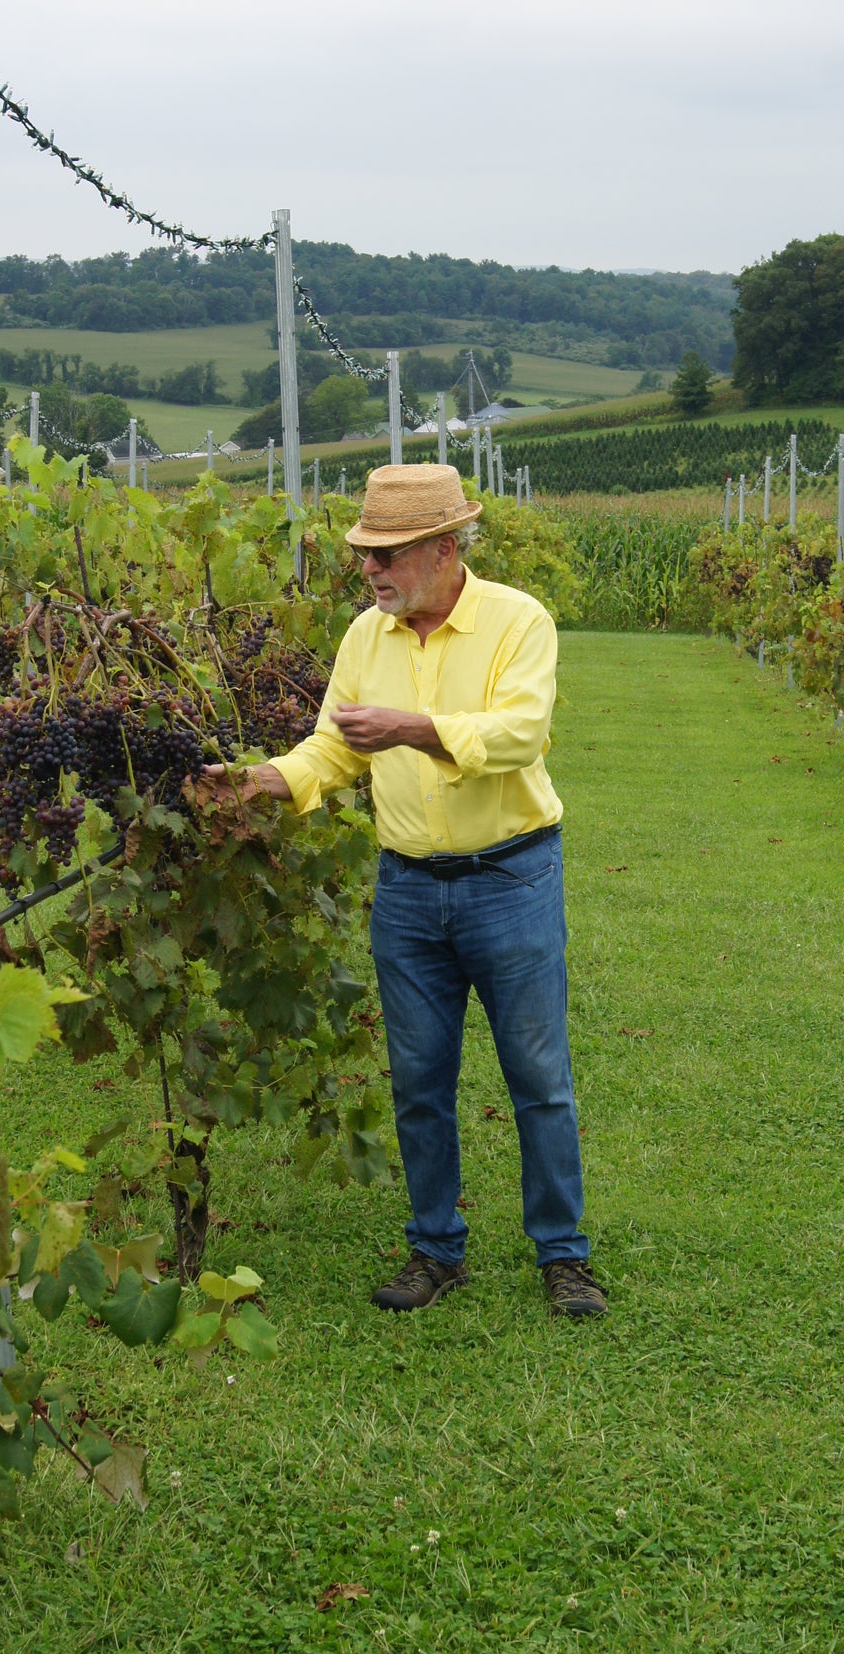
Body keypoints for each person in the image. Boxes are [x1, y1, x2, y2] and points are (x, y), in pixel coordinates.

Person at [219, 462, 604, 1319]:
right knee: (419, 1081)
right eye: (365, 554)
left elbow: (519, 734)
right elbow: (334, 748)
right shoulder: (366, 638)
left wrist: (415, 729)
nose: (369, 569)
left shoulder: (516, 621)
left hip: (511, 879)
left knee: (538, 1077)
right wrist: (263, 780)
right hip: (406, 891)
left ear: (443, 548)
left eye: (386, 554)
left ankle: (563, 1256)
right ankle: (436, 1250)